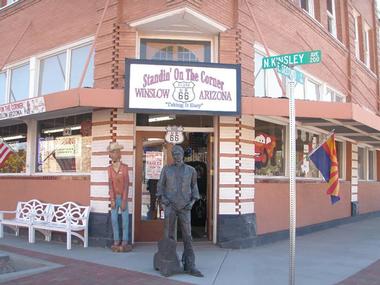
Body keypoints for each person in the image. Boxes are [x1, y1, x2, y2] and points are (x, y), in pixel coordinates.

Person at [157, 145, 203, 277]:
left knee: (187, 236)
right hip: (170, 206)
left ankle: (190, 264)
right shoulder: (166, 170)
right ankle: (169, 263)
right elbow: (160, 186)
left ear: (183, 155)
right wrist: (163, 200)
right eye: (174, 153)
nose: (176, 155)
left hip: (185, 207)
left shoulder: (191, 170)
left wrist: (193, 202)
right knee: (169, 236)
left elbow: (194, 187)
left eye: (179, 153)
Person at [107, 142, 131, 251]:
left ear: (118, 153)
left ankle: (125, 240)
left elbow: (126, 185)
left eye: (112, 152)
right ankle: (116, 240)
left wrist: (124, 200)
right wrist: (112, 199)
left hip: (123, 197)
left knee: (125, 219)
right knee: (114, 219)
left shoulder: (125, 168)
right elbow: (110, 185)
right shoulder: (109, 169)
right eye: (110, 152)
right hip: (114, 198)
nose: (110, 154)